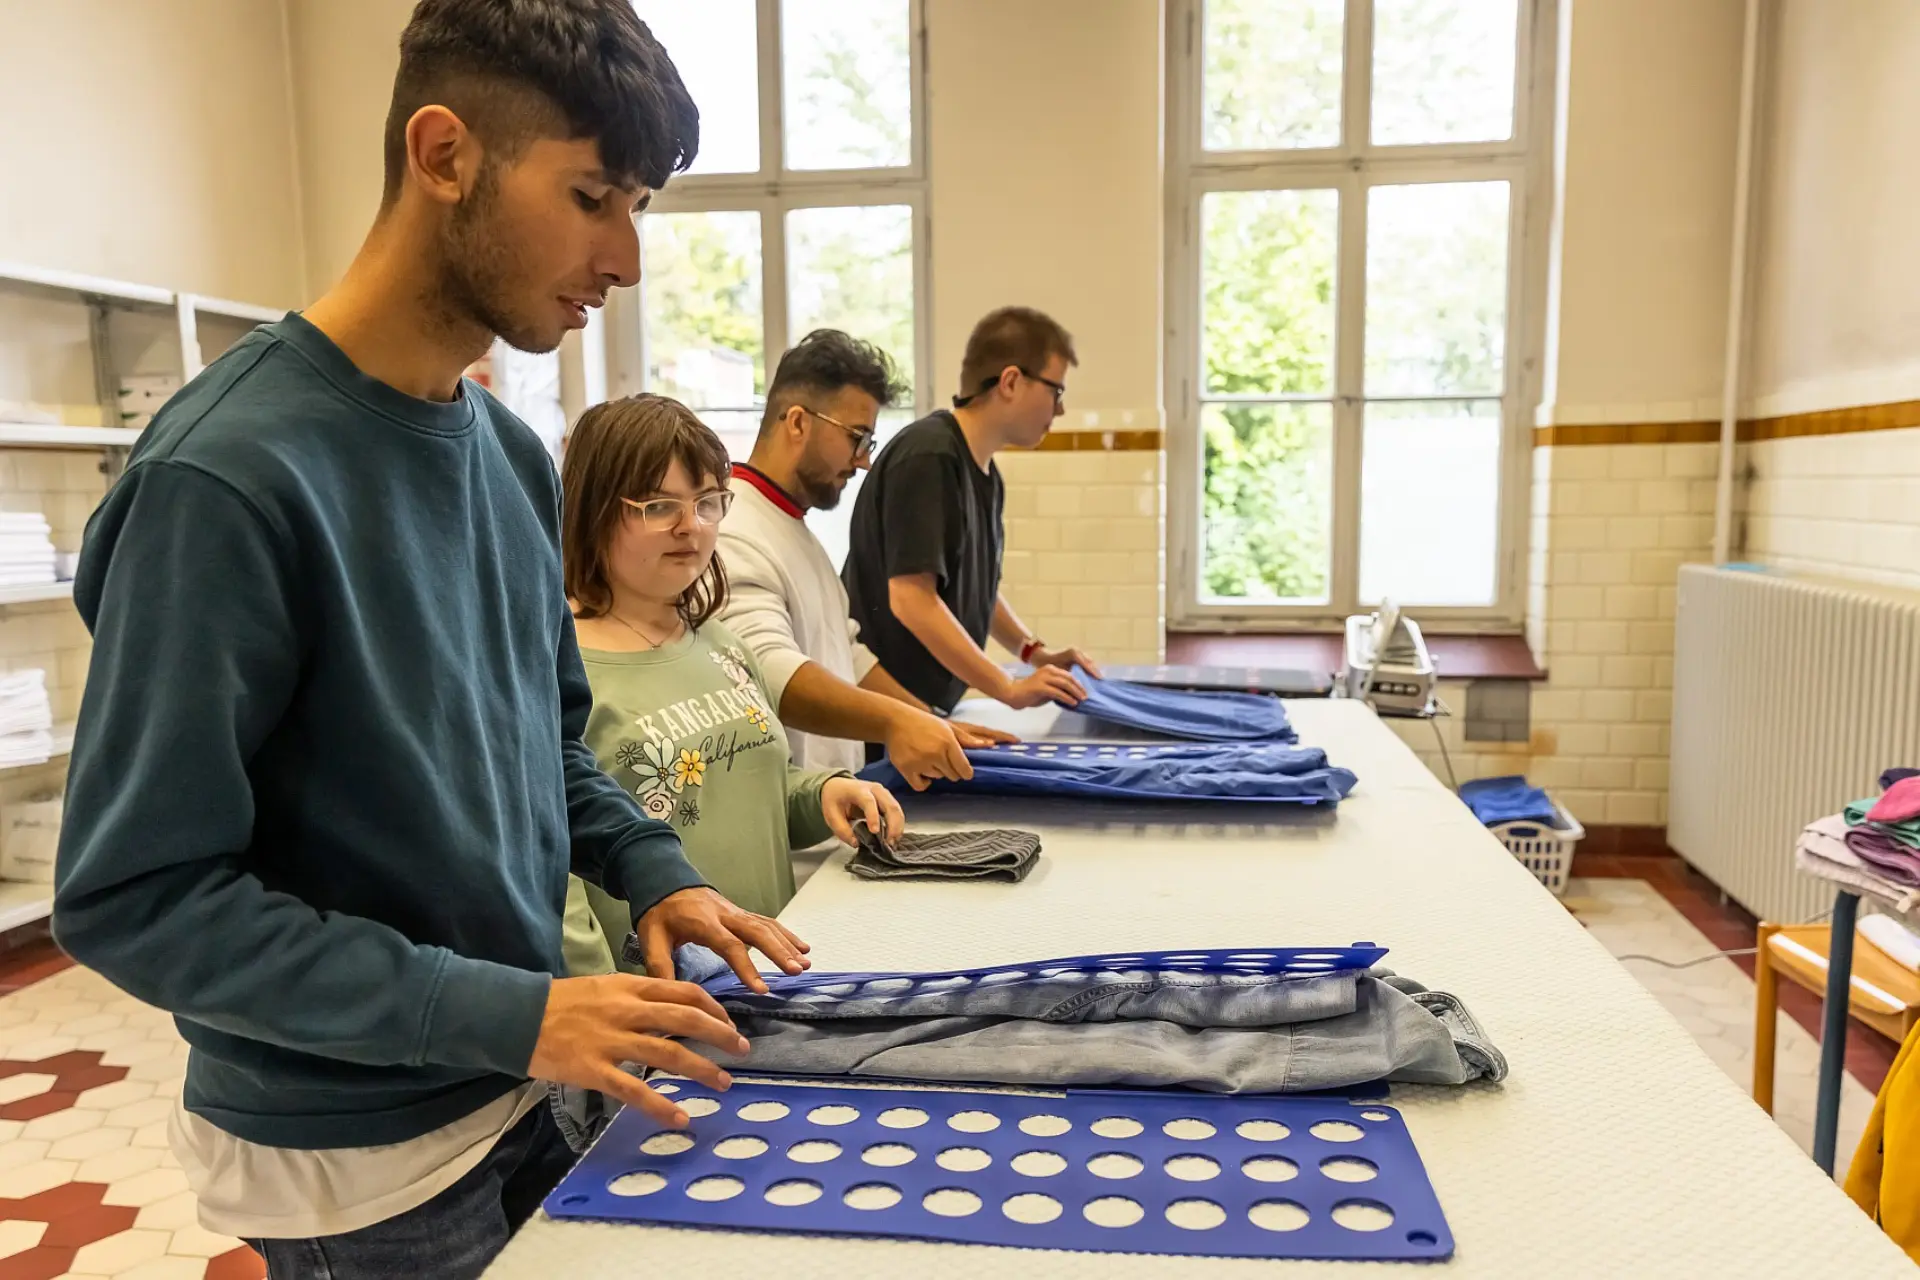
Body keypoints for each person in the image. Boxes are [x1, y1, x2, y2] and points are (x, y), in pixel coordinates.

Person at [51, 4, 805, 1276]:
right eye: (590, 196)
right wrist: (508, 1012)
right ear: (444, 153)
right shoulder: (230, 478)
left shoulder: (506, 454)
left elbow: (539, 746)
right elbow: (136, 897)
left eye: (638, 208)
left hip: (517, 1081)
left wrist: (648, 862)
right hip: (360, 1161)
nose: (623, 256)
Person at [557, 394, 905, 974]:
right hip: (660, 1003)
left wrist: (820, 795)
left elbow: (758, 790)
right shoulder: (561, 666)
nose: (690, 526)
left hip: (769, 982)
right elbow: (554, 865)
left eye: (707, 502)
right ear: (594, 510)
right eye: (658, 505)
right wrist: (601, 997)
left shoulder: (722, 644)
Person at [719, 328, 1015, 784]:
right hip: (789, 821)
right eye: (857, 437)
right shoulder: (733, 531)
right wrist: (896, 723)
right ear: (797, 422)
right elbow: (769, 673)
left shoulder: (797, 533)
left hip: (832, 808)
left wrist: (931, 722)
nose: (864, 461)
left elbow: (850, 655)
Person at [843, 305, 1102, 717]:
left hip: (925, 710)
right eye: (1056, 391)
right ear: (1011, 382)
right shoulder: (929, 456)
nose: (1060, 410)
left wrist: (1034, 653)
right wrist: (1008, 688)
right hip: (882, 716)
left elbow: (973, 589)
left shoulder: (983, 473)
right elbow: (911, 598)